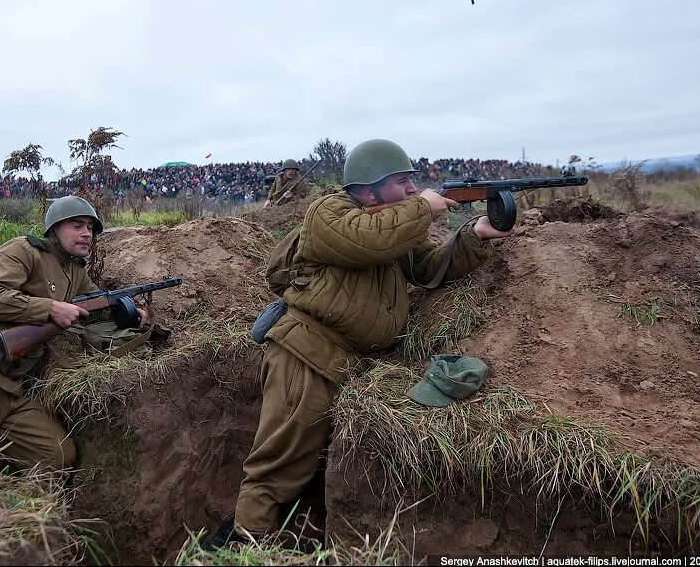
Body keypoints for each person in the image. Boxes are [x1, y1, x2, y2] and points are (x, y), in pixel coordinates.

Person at [204, 139, 512, 549]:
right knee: (279, 464)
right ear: (367, 189)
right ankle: (244, 544)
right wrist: (422, 208)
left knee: (311, 467)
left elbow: (427, 265)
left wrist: (474, 234)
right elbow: (368, 241)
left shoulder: (391, 224)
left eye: (411, 183)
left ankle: (288, 538)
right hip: (306, 356)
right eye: (401, 182)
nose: (409, 190)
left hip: (344, 363)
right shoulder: (329, 214)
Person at [0, 196, 146, 471]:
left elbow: (97, 302)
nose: (86, 233)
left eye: (90, 228)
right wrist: (48, 308)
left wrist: (129, 310)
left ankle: (26, 507)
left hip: (10, 383)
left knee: (57, 456)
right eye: (77, 225)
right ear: (54, 228)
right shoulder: (24, 250)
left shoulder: (75, 269)